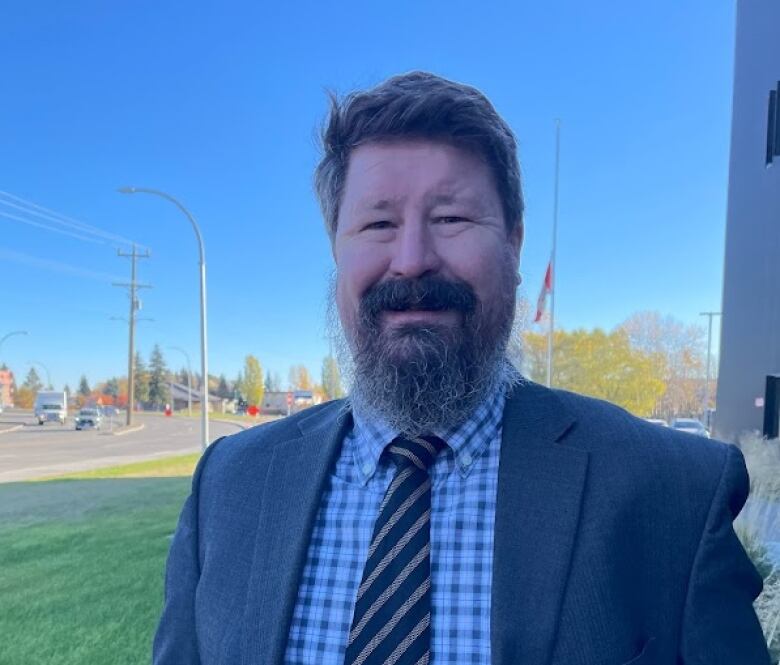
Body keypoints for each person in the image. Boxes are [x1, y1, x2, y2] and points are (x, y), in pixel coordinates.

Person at [153, 72, 769, 664]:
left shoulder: (674, 493)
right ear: (336, 250)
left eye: (450, 218)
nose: (412, 259)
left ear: (515, 243)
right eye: (377, 223)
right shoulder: (230, 485)